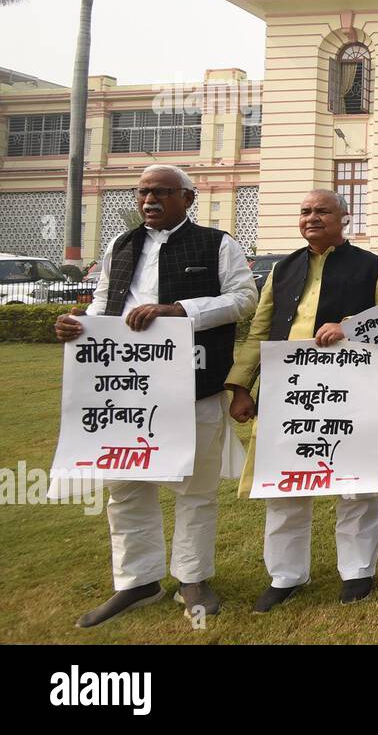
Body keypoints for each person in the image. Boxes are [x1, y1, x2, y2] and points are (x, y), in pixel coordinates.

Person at [54, 165, 257, 627]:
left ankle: (193, 578)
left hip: (193, 386)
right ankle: (137, 581)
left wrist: (179, 311)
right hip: (124, 393)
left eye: (161, 192)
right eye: (142, 192)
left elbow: (244, 299)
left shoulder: (216, 243)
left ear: (186, 198)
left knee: (195, 488)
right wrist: (76, 324)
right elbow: (103, 305)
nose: (149, 200)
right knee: (125, 490)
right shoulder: (121, 245)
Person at [226, 189, 378, 611]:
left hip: (351, 393)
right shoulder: (282, 269)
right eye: (305, 211)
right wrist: (241, 386)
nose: (312, 218)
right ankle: (286, 576)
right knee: (284, 486)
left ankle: (357, 572)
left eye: (322, 211)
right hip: (289, 396)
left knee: (356, 487)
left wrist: (350, 328)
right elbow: (260, 331)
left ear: (344, 217)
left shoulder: (375, 267)